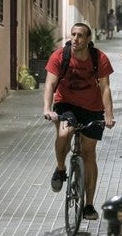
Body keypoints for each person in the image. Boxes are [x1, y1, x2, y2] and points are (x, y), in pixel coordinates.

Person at [42, 23, 115, 220]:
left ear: (88, 39)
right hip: (66, 104)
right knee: (64, 133)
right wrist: (47, 109)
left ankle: (89, 205)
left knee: (89, 154)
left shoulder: (99, 59)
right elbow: (50, 84)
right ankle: (60, 168)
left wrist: (108, 115)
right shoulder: (60, 56)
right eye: (73, 35)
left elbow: (105, 88)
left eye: (80, 36)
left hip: (92, 107)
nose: (75, 39)